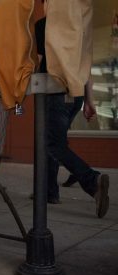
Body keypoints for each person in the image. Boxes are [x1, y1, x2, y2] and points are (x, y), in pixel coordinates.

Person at [36, 0, 109, 218]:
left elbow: (38, 59)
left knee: (51, 144)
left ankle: (91, 180)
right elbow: (84, 63)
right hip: (75, 95)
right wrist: (89, 100)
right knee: (54, 142)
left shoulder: (44, 24)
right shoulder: (78, 24)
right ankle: (49, 192)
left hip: (53, 91)